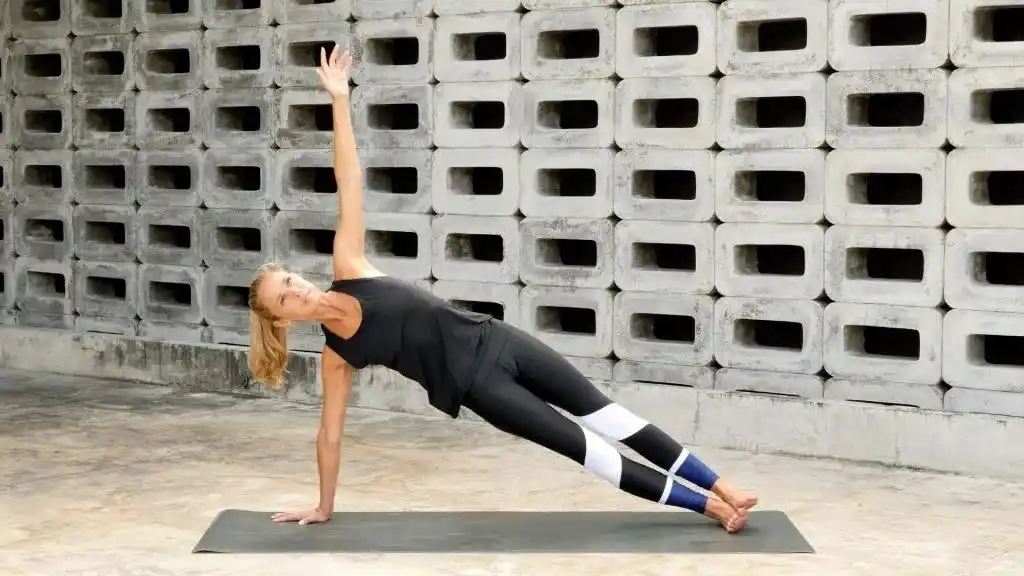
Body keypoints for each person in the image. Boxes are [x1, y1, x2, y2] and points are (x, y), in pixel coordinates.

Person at [247, 45, 758, 533]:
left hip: (497, 340)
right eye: (284, 299)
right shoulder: (339, 355)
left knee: (609, 415)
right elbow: (330, 434)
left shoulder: (350, 264)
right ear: (284, 320)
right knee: (586, 449)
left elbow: (349, 180)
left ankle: (724, 485)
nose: (297, 291)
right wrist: (323, 505)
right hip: (481, 389)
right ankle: (708, 507)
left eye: (290, 279)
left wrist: (340, 100)